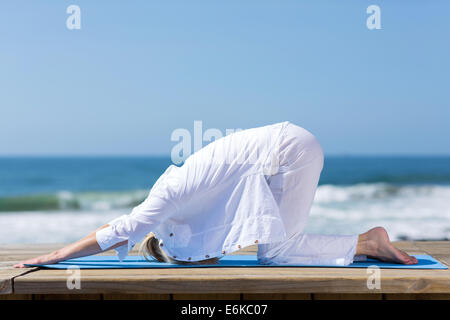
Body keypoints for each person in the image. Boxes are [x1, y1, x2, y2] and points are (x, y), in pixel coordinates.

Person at [14, 121, 418, 268]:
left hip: (287, 151)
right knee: (274, 250)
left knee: (276, 254)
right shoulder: (177, 206)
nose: (210, 258)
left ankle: (370, 242)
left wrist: (57, 255)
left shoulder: (166, 197)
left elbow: (120, 229)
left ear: (182, 241)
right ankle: (367, 242)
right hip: (284, 149)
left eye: (198, 257)